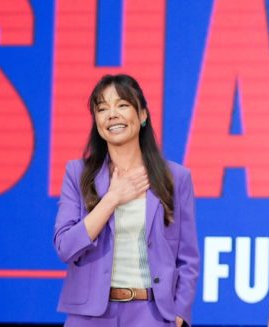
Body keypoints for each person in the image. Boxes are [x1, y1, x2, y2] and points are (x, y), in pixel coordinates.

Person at [54, 74, 199, 327]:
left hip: (152, 314)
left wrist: (179, 313)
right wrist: (112, 198)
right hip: (89, 317)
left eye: (122, 105)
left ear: (143, 115)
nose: (111, 114)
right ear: (97, 121)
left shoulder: (176, 177)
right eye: (102, 108)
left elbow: (188, 258)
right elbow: (65, 247)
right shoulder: (77, 173)